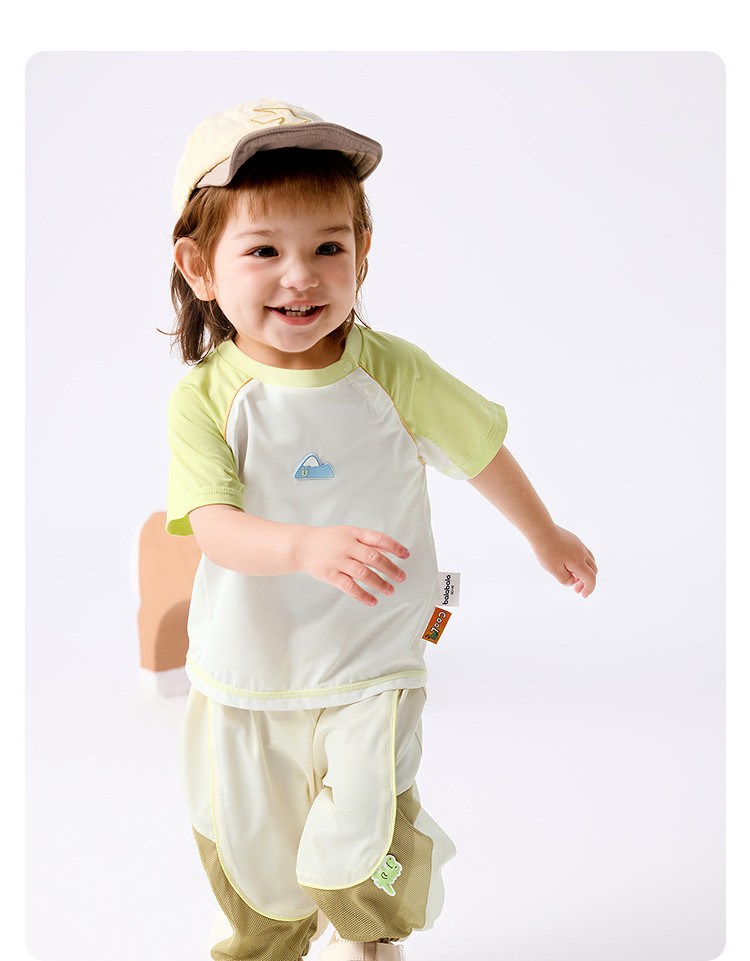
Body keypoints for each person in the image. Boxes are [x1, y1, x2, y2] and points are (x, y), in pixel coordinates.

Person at [166, 98, 597, 961]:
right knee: (256, 865)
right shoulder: (206, 398)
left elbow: (478, 449)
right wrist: (303, 547)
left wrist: (543, 532)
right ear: (201, 266)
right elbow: (213, 527)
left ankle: (370, 938)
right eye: (265, 251)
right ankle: (266, 940)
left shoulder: (391, 372)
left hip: (372, 661)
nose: (301, 276)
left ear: (364, 252)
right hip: (248, 668)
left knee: (362, 842)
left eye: (328, 247)